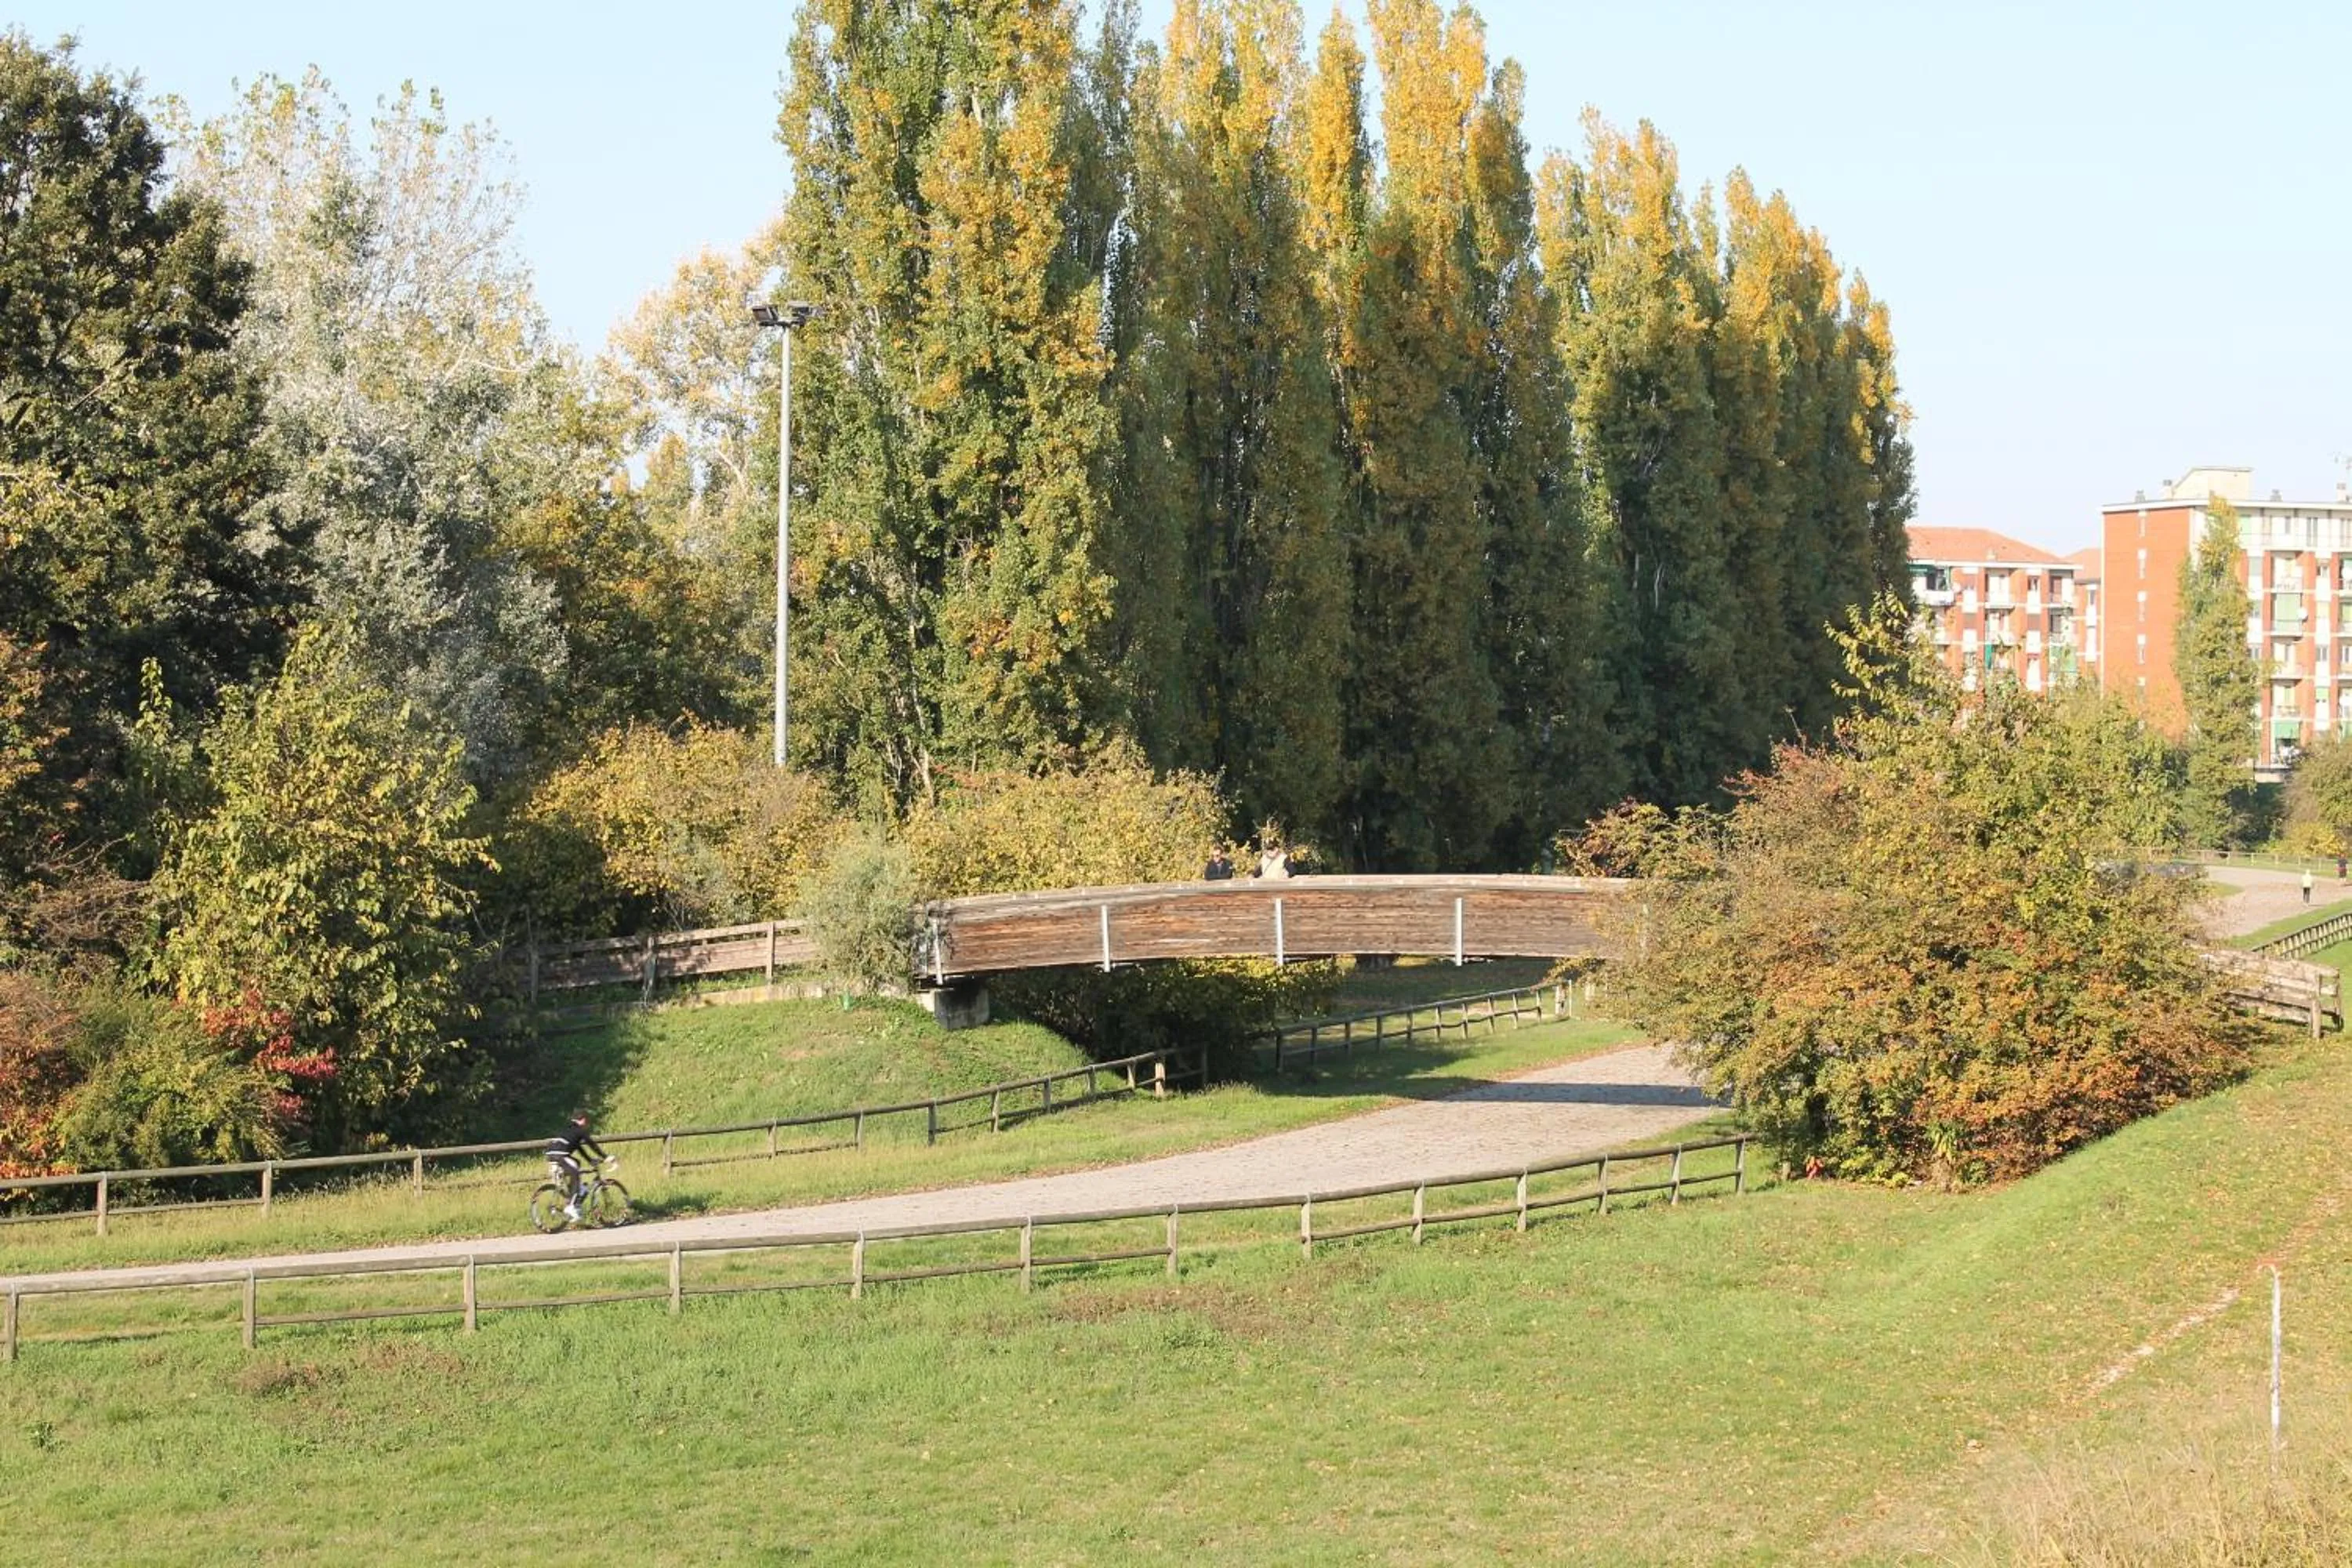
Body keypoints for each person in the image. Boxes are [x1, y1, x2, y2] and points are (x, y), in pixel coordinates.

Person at [546, 1111, 609, 1221]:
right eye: (587, 1121)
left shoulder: (570, 1130)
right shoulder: (580, 1131)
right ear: (583, 1120)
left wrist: (590, 1160)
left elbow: (580, 1149)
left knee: (577, 1164)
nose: (587, 1124)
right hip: (561, 1155)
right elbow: (592, 1144)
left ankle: (574, 1197)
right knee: (575, 1174)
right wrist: (606, 1157)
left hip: (551, 1154)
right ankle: (571, 1206)